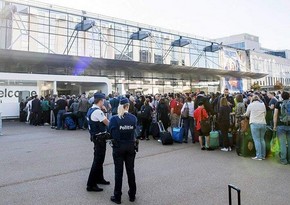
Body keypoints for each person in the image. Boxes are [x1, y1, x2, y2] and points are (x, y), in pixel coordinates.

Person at [109, 97, 137, 204]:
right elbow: (134, 131)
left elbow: (110, 133)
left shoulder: (114, 119)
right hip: (130, 147)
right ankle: (132, 195)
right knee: (131, 171)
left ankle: (117, 197)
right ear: (128, 106)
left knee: (118, 172)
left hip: (118, 147)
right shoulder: (133, 118)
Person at [86, 92, 110, 192]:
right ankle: (91, 184)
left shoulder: (91, 110)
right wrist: (105, 112)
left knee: (99, 160)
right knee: (98, 161)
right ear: (100, 101)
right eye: (103, 100)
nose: (103, 102)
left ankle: (100, 178)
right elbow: (108, 123)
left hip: (95, 137)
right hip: (100, 138)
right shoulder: (97, 112)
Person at [245, 95, 267, 160]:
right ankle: (263, 155)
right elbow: (265, 114)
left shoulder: (250, 105)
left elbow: (247, 114)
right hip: (263, 123)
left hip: (254, 123)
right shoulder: (263, 105)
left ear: (252, 99)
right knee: (262, 139)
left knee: (257, 140)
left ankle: (259, 156)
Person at [273, 91, 290, 165]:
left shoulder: (278, 103)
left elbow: (275, 115)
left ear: (282, 96)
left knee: (282, 144)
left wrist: (274, 126)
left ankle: (284, 160)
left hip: (281, 126)